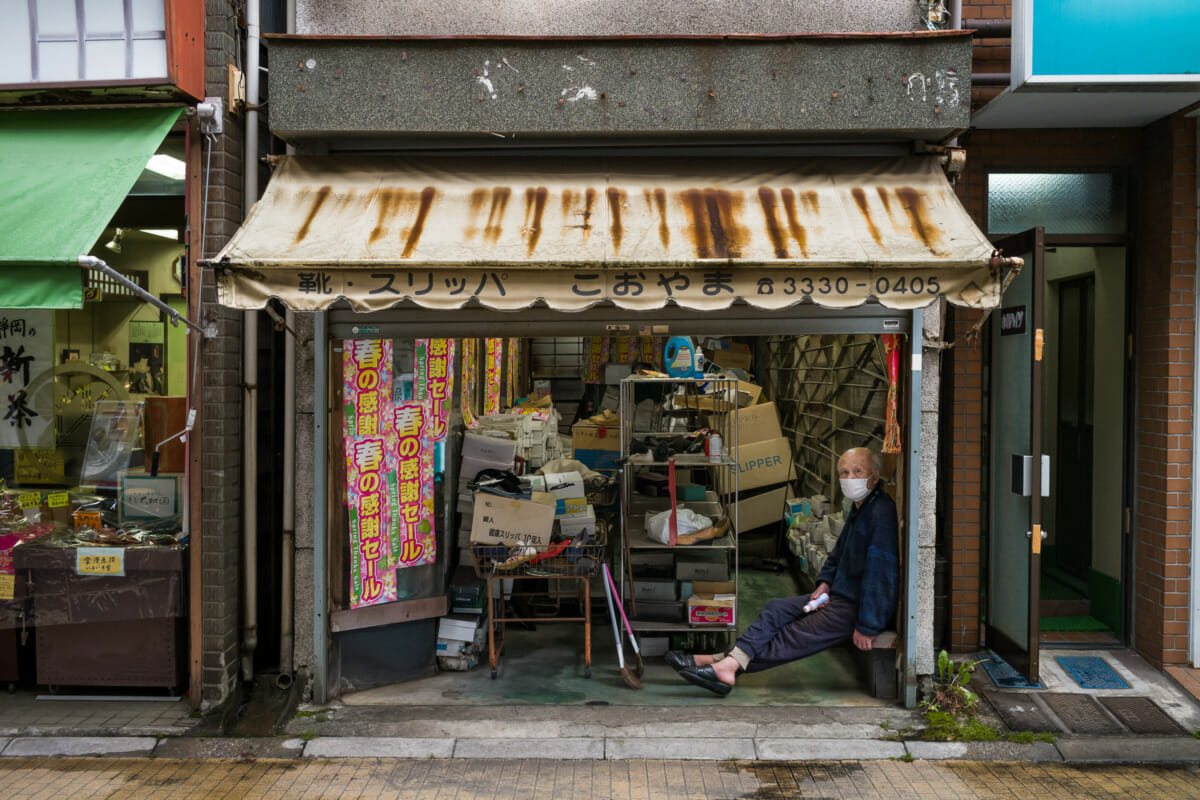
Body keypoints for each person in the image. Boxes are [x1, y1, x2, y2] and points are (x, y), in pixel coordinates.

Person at [670, 446, 900, 696]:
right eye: (844, 472)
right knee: (777, 608)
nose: (849, 478)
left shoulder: (880, 512)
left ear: (874, 477)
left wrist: (868, 625)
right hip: (836, 595)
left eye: (857, 471)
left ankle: (723, 665)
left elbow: (882, 574)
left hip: (855, 606)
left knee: (792, 636)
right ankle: (720, 661)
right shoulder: (859, 507)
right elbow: (838, 553)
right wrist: (824, 582)